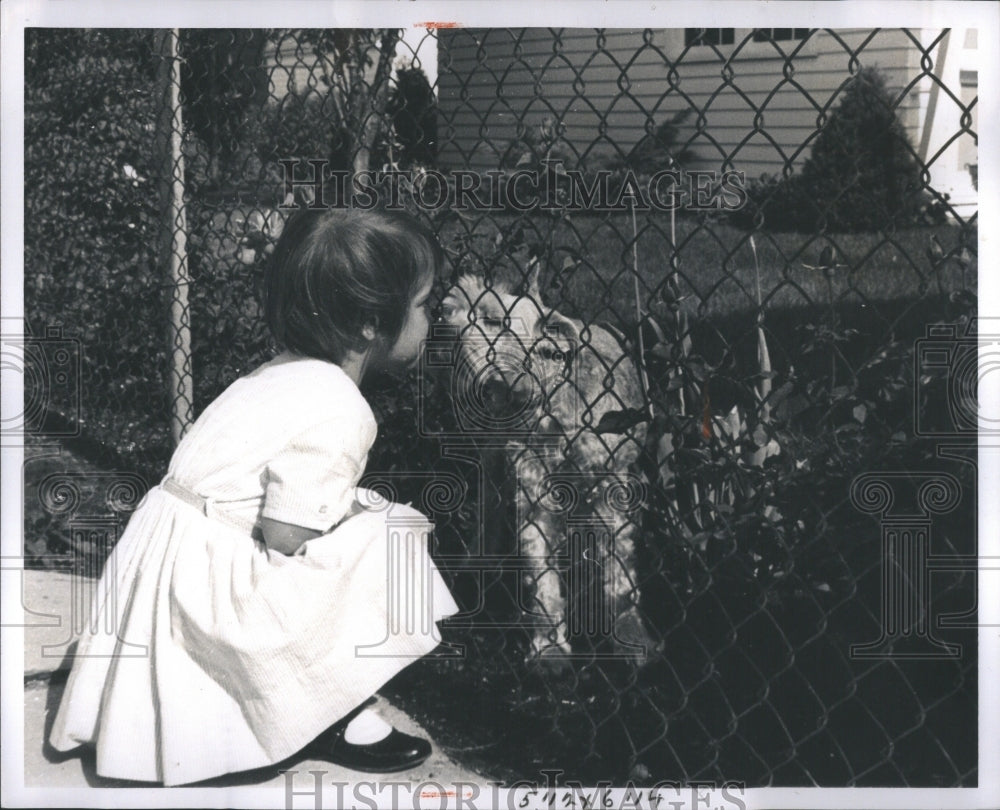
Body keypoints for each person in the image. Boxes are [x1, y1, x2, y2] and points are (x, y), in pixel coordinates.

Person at [48, 207, 460, 786]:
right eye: (423, 305)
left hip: (167, 580)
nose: (430, 319)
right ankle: (332, 707)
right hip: (215, 597)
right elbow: (288, 537)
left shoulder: (272, 375)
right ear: (371, 322)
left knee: (353, 520)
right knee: (390, 535)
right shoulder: (342, 409)